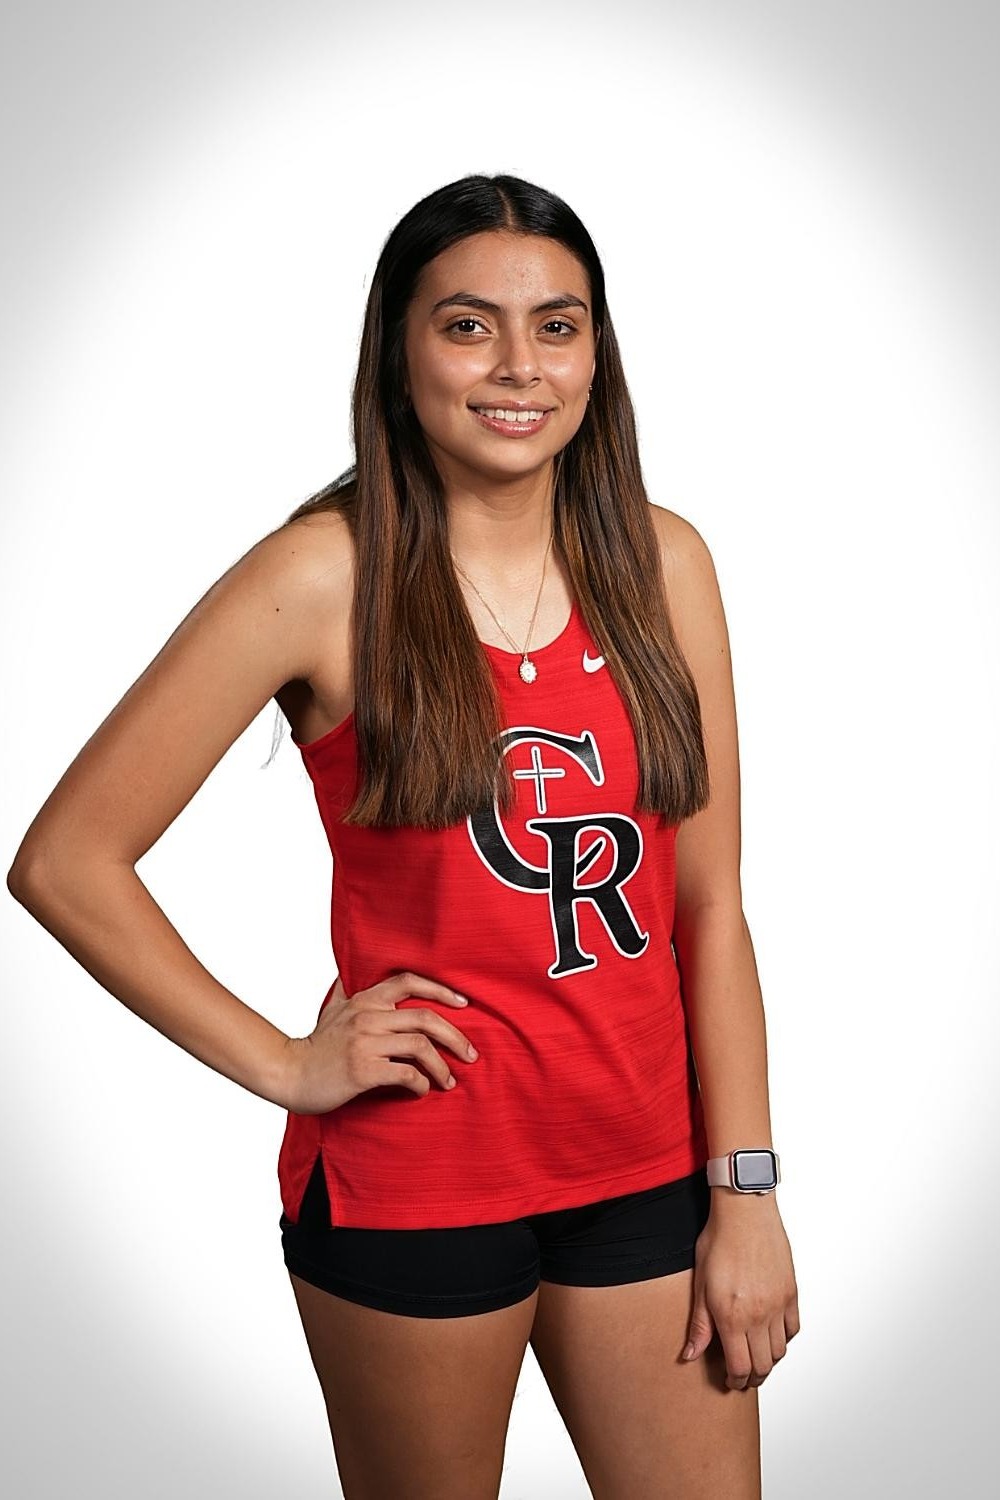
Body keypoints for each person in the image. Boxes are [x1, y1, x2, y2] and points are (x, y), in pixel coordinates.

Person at [7, 172, 799, 1499]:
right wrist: (285, 1063)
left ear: (599, 352)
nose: (518, 366)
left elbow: (709, 909)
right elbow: (67, 860)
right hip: (417, 1182)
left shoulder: (669, 566)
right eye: (467, 324)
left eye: (558, 325)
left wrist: (751, 1191)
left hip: (648, 1171)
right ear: (400, 348)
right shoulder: (321, 577)